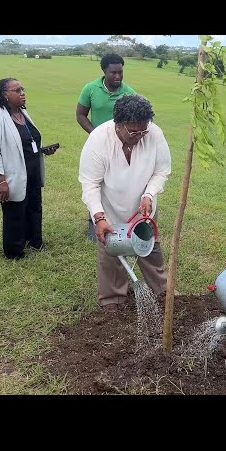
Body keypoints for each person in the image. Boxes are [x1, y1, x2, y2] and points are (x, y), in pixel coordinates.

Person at [78, 94, 171, 311]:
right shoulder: (99, 139)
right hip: (109, 208)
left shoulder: (154, 134)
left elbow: (161, 171)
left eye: (143, 131)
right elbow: (90, 184)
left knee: (150, 249)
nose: (139, 136)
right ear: (118, 124)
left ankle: (162, 291)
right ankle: (112, 300)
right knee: (110, 253)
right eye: (133, 131)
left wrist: (149, 194)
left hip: (144, 209)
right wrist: (99, 217)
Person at [0, 78, 58, 260]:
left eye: (22, 89)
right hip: (12, 174)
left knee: (34, 207)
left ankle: (34, 240)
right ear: (4, 95)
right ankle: (14, 250)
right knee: (14, 212)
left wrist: (43, 150)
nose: (22, 93)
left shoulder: (23, 114)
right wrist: (1, 181)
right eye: (17, 90)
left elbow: (25, 143)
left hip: (31, 171)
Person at [76, 53, 137, 241]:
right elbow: (80, 115)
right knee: (95, 184)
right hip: (97, 147)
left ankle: (123, 224)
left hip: (122, 148)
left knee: (118, 184)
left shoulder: (129, 93)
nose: (117, 76)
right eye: (113, 73)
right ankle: (94, 225)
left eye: (120, 72)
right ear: (104, 71)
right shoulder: (90, 89)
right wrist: (96, 134)